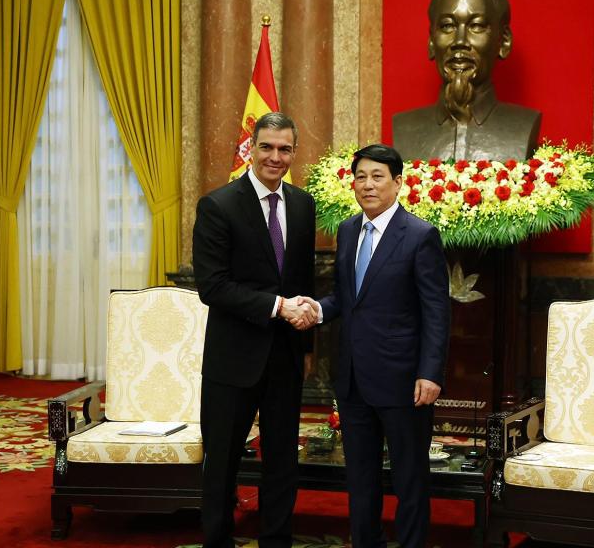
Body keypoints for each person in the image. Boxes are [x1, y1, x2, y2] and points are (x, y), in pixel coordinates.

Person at [307, 143, 450, 548]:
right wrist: (316, 310)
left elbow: (436, 311)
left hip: (404, 379)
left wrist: (430, 372)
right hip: (352, 377)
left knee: (409, 479)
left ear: (398, 183)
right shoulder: (349, 230)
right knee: (361, 479)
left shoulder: (421, 235)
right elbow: (344, 296)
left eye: (377, 176)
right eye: (360, 177)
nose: (367, 185)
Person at [192, 112, 318, 548]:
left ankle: (276, 540)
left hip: (285, 357)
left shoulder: (303, 205)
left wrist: (307, 346)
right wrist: (278, 307)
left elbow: (304, 281)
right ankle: (217, 540)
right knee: (222, 461)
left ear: (293, 152)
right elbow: (212, 286)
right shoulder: (218, 205)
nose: (275, 157)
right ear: (251, 148)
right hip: (233, 359)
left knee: (282, 461)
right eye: (267, 147)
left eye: (285, 149)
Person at [392, 0, 541, 162]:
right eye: (447, 26)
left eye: (476, 26)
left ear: (504, 41)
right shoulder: (405, 128)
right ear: (431, 41)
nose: (460, 41)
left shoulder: (523, 126)